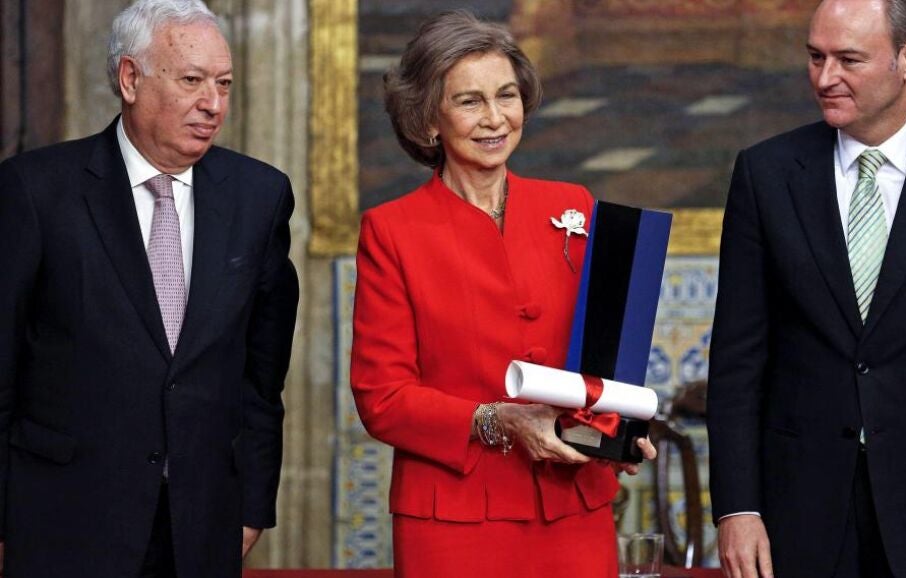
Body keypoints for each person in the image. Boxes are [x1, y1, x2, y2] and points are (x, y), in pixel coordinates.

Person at [707, 0, 906, 577]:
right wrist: (737, 508)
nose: (825, 78)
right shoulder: (765, 173)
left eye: (848, 59)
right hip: (797, 512)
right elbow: (736, 361)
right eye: (815, 57)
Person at [350, 10, 656, 578]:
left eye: (506, 96)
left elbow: (602, 361)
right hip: (455, 521)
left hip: (573, 507)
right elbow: (382, 399)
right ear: (428, 120)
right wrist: (497, 421)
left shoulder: (573, 206)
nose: (495, 118)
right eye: (470, 101)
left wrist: (616, 431)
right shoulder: (392, 231)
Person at [0, 0, 299, 576]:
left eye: (224, 84)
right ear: (130, 79)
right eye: (191, 81)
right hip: (62, 519)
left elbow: (262, 378)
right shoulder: (35, 191)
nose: (212, 104)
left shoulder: (259, 196)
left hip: (200, 524)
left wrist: (252, 506)